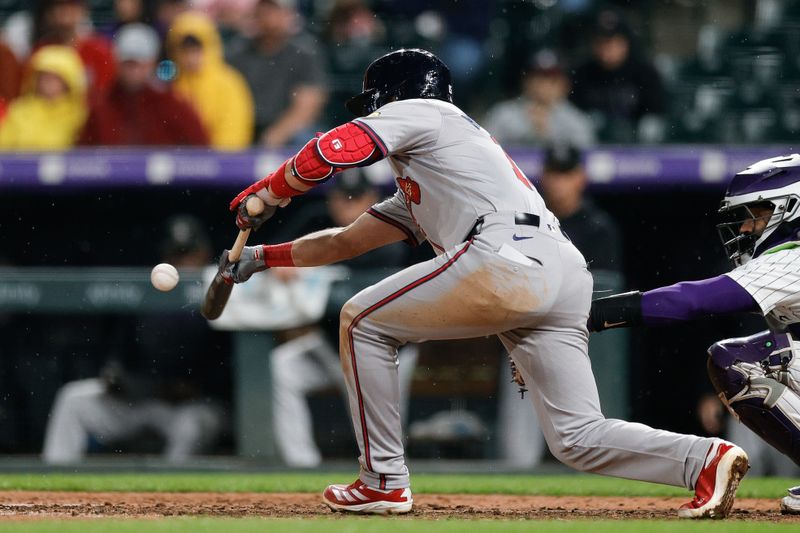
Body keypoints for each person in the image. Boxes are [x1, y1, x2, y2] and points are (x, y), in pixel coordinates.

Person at [218, 49, 748, 518]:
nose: (374, 113)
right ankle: (704, 459)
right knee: (575, 438)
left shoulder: (428, 111)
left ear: (396, 96)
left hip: (506, 254)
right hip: (560, 271)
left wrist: (272, 188)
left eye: (376, 103)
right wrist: (263, 257)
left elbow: (336, 150)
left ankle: (382, 480)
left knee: (361, 321)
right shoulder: (437, 170)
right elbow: (343, 243)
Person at [588, 153, 800, 514]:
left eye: (758, 214)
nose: (747, 228)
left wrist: (592, 313)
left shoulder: (791, 257)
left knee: (738, 361)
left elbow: (693, 300)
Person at [43, 215, 229, 464]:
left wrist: (196, 386)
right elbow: (117, 351)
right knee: (73, 398)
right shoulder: (144, 295)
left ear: (205, 254)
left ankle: (171, 496)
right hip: (137, 400)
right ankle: (53, 485)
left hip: (188, 408)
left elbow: (230, 366)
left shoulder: (222, 294)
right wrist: (113, 376)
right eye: (176, 255)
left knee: (192, 425)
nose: (182, 262)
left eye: (189, 254)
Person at [267, 168, 416, 467]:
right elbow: (278, 252)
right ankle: (302, 466)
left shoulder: (388, 230)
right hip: (329, 345)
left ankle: (388, 472)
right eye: (341, 198)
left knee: (384, 428)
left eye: (356, 198)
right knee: (284, 365)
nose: (347, 205)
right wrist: (280, 261)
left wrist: (306, 268)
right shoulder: (315, 220)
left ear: (372, 199)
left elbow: (351, 273)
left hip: (385, 349)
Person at [498, 143, 623, 467]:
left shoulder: (599, 226)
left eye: (566, 174)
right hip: (526, 333)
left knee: (588, 428)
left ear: (580, 178)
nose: (559, 182)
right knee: (518, 446)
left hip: (581, 340)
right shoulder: (529, 219)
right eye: (554, 174)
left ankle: (594, 501)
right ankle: (511, 503)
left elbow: (601, 291)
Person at [80, 23, 209, 146]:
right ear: (117, 63)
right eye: (128, 63)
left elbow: (199, 152)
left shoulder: (172, 107)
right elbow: (85, 155)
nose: (133, 70)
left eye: (138, 63)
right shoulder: (102, 107)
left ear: (151, 63)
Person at [227, 0, 327, 147]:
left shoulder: (303, 51)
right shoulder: (238, 53)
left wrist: (273, 137)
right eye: (263, 12)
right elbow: (227, 96)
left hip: (287, 129)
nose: (269, 19)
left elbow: (307, 105)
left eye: (274, 11)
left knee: (306, 139)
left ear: (288, 15)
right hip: (246, 124)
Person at [569, 9, 666, 143]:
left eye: (612, 43)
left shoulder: (645, 71)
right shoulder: (582, 72)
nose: (606, 51)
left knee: (650, 128)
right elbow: (572, 112)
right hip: (594, 143)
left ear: (626, 43)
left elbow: (657, 111)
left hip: (638, 143)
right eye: (600, 43)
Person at [167, 10, 254, 150]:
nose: (190, 57)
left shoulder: (229, 82)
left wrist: (211, 162)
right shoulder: (172, 84)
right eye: (185, 50)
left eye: (196, 49)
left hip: (219, 165)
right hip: (181, 161)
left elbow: (233, 132)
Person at [483, 50, 595, 148]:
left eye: (551, 80)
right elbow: (486, 151)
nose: (543, 85)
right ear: (526, 81)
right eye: (537, 78)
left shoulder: (577, 120)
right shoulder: (503, 114)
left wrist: (546, 134)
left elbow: (585, 159)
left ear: (564, 84)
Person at [0, 45, 87, 150]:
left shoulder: (80, 115)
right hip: (23, 165)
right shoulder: (19, 112)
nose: (48, 82)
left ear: (68, 81)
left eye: (56, 78)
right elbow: (3, 145)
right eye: (44, 76)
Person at [32, 0, 116, 101]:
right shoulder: (41, 50)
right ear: (50, 12)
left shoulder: (100, 50)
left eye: (72, 6)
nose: (66, 11)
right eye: (60, 6)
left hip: (89, 113)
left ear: (83, 10)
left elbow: (106, 93)